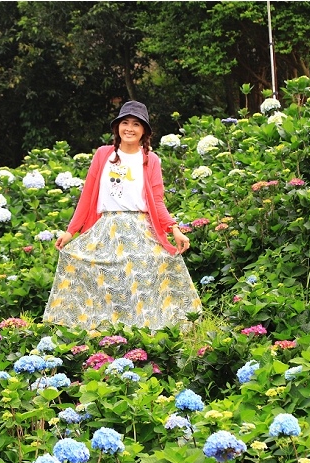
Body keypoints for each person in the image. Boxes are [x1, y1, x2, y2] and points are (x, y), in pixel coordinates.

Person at [43, 100, 202, 331]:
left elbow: (157, 200)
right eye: (124, 122)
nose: (129, 128)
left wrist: (174, 228)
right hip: (107, 227)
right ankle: (98, 330)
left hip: (140, 228)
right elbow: (88, 195)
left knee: (149, 273)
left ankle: (152, 331)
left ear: (144, 131)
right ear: (117, 127)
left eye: (136, 124)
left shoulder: (150, 160)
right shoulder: (103, 155)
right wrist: (71, 231)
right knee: (91, 270)